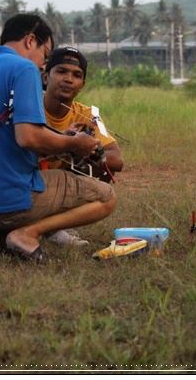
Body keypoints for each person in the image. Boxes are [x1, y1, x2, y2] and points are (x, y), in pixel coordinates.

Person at [0, 13, 117, 263]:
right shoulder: (24, 68)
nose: (42, 64)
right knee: (107, 197)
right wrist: (74, 143)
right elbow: (28, 137)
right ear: (30, 41)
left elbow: (2, 138)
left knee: (2, 251)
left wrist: (60, 139)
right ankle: (28, 233)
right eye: (45, 54)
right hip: (9, 199)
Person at [40, 47, 124, 246]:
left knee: (102, 172)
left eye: (77, 75)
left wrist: (93, 150)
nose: (69, 79)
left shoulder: (89, 115)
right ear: (45, 77)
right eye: (61, 71)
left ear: (82, 85)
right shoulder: (29, 107)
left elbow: (117, 160)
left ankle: (53, 226)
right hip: (28, 181)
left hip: (59, 183)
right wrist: (66, 143)